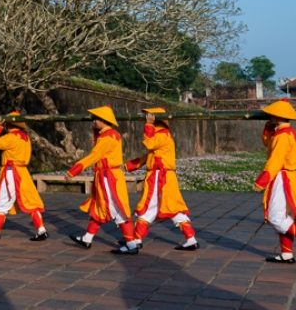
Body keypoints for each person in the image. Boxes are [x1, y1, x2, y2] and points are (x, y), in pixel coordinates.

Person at [67, 105, 141, 254]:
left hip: (109, 177)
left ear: (103, 120)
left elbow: (94, 156)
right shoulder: (111, 134)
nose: (94, 121)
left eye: (96, 119)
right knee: (99, 206)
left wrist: (73, 171)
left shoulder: (107, 137)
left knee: (116, 208)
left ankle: (131, 245)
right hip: (108, 175)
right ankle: (88, 238)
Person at [124, 107, 198, 251]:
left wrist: (148, 125)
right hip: (163, 176)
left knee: (147, 207)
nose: (146, 119)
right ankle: (190, 238)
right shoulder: (162, 136)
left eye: (149, 117)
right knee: (173, 208)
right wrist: (127, 166)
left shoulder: (162, 135)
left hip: (159, 177)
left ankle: (136, 240)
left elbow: (149, 144)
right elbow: (149, 157)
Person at [253, 99, 296, 264]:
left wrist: (262, 180)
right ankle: (287, 254)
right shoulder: (286, 132)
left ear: (276, 116)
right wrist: (269, 127)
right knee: (285, 217)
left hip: (282, 177)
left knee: (276, 217)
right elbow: (268, 144)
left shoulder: (283, 135)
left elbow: (275, 160)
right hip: (287, 177)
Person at [0, 112, 46, 241]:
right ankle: (41, 229)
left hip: (11, 172)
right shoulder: (25, 138)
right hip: (23, 172)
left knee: (2, 201)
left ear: (8, 124)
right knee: (30, 200)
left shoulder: (11, 137)